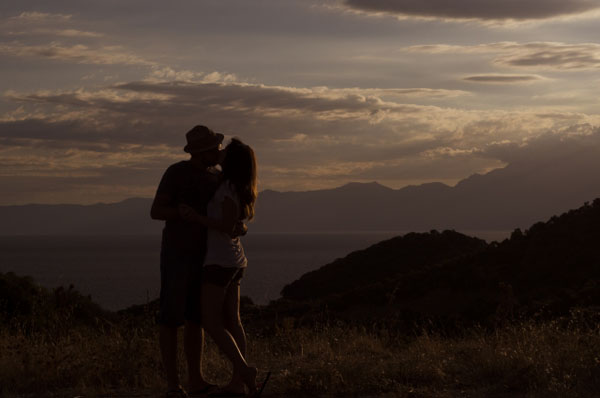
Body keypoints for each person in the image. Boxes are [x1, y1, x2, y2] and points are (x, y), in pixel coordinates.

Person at [179, 138, 268, 397]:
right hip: (233, 260)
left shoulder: (228, 187)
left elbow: (228, 226)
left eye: (226, 150)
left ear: (232, 160)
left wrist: (197, 218)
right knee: (233, 321)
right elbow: (236, 226)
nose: (221, 151)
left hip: (219, 261)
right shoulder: (232, 185)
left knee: (211, 321)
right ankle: (239, 384)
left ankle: (243, 370)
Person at [150, 125, 224, 398]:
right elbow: (156, 211)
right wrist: (180, 214)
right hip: (177, 254)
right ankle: (173, 385)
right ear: (202, 151)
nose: (219, 150)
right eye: (215, 147)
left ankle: (196, 380)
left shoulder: (218, 177)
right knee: (171, 318)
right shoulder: (176, 173)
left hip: (207, 255)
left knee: (196, 319)